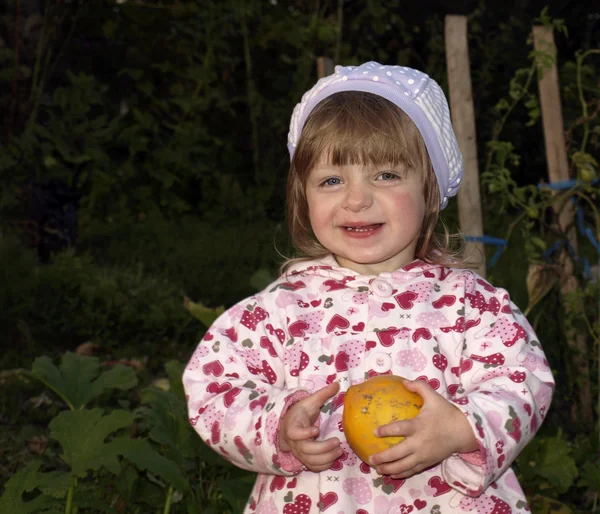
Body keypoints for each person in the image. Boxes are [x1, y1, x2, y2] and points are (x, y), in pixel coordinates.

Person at [183, 61, 554, 514]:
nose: (356, 199)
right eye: (332, 180)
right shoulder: (278, 310)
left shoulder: (468, 304)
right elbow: (214, 386)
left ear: (431, 191)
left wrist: (462, 428)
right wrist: (277, 427)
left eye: (386, 175)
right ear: (305, 197)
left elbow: (524, 378)